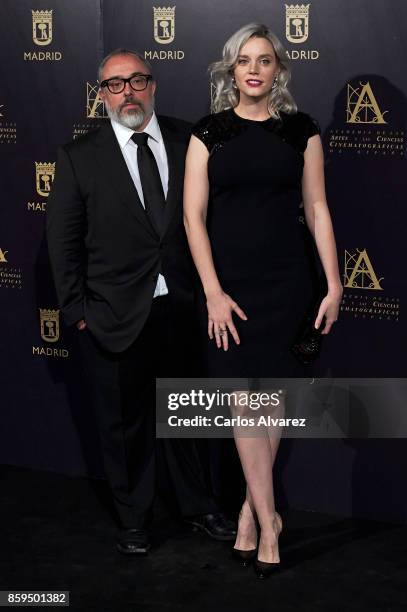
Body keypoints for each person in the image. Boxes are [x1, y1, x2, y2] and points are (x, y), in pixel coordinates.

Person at [46, 48, 236, 555]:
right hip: (112, 313)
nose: (127, 91)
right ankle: (134, 517)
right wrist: (77, 313)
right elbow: (62, 245)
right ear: (102, 94)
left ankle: (199, 506)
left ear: (153, 85)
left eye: (136, 80)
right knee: (124, 424)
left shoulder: (188, 138)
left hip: (183, 307)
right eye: (115, 84)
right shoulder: (78, 156)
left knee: (189, 413)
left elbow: (209, 220)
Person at [183, 24, 343, 577]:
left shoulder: (301, 131)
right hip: (230, 288)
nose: (254, 69)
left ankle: (253, 516)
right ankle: (270, 521)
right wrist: (212, 292)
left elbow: (318, 209)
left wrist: (335, 282)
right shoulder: (209, 133)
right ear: (231, 70)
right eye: (244, 60)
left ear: (278, 71)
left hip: (288, 285)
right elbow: (192, 217)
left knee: (272, 400)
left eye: (265, 60)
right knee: (246, 402)